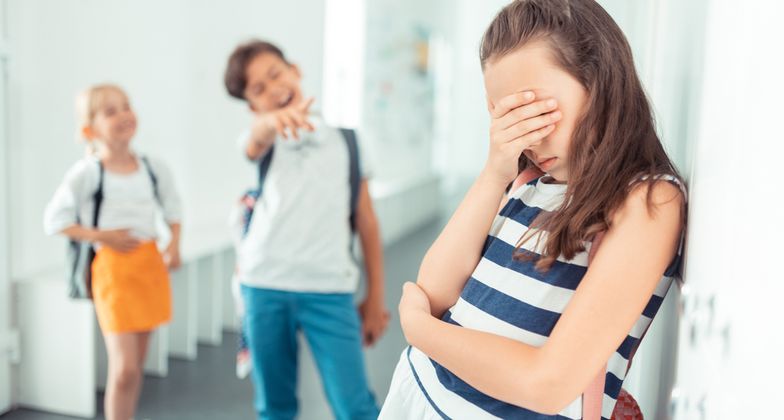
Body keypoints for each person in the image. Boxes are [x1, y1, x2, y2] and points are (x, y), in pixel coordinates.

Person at [380, 1, 686, 418]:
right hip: (418, 397)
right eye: (508, 117)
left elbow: (547, 385)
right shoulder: (526, 184)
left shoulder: (647, 201)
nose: (527, 136)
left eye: (537, 110)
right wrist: (493, 173)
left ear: (598, 80)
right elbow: (432, 292)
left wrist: (421, 331)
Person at [224, 39, 389, 420]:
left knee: (356, 407)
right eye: (258, 89)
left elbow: (367, 220)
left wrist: (375, 296)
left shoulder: (350, 140)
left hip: (330, 290)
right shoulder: (262, 141)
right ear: (252, 106)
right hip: (263, 287)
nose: (273, 88)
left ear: (295, 70)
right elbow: (254, 141)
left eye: (276, 74)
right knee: (275, 407)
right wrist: (269, 123)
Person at [43, 84, 182, 420]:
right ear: (89, 129)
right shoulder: (88, 172)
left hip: (149, 267)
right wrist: (102, 236)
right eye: (111, 111)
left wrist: (174, 245)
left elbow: (173, 209)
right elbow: (54, 221)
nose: (124, 114)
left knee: (137, 366)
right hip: (113, 273)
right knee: (124, 370)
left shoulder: (153, 167)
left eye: (127, 106)